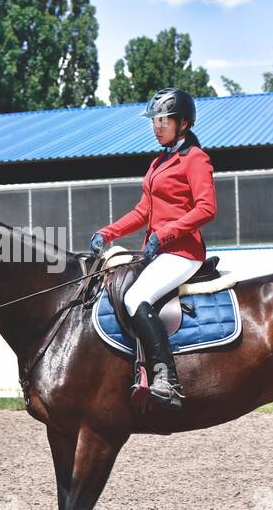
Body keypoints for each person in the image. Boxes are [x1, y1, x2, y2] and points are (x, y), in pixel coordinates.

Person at [89, 88, 216, 407]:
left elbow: (206, 208)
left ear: (183, 123)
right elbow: (143, 211)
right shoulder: (159, 161)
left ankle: (166, 378)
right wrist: (108, 232)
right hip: (159, 251)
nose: (155, 126)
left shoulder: (195, 159)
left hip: (183, 253)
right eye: (154, 120)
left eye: (162, 120)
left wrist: (167, 233)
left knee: (135, 297)